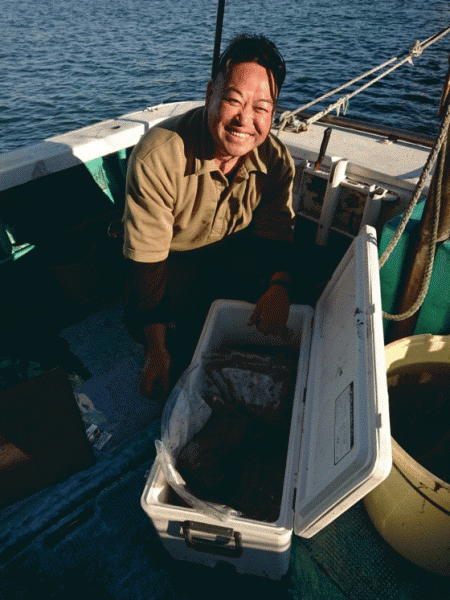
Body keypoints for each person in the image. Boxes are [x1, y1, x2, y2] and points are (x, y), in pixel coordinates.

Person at [122, 34, 296, 399]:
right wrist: (156, 349)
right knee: (180, 349)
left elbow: (277, 233)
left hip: (231, 251)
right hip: (170, 260)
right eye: (233, 100)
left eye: (261, 108)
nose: (244, 120)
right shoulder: (159, 155)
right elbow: (147, 260)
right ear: (209, 95)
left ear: (273, 114)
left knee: (278, 325)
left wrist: (279, 285)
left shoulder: (276, 161)